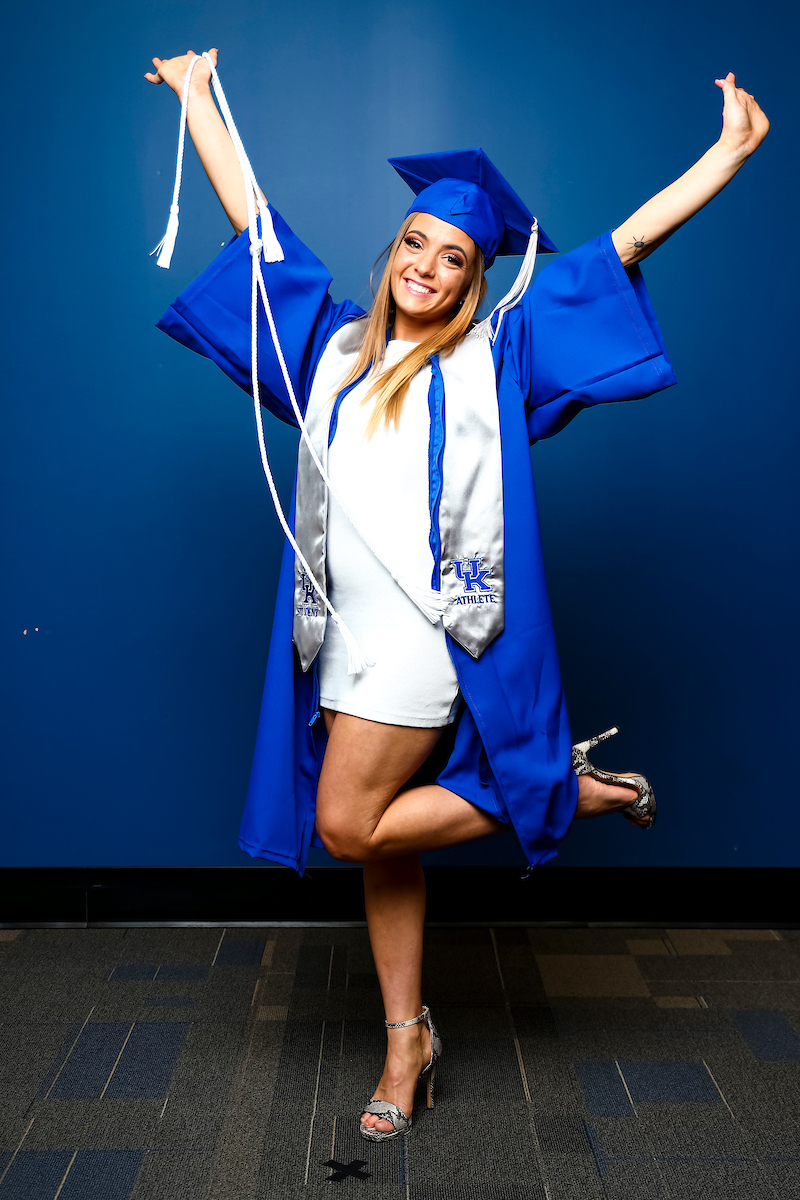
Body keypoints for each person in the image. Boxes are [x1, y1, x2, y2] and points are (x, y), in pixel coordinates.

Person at [146, 49, 768, 1140]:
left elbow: (617, 249)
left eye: (455, 255)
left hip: (428, 648)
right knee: (382, 848)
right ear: (395, 252)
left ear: (477, 275)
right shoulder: (330, 348)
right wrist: (199, 100)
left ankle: (553, 793)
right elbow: (259, 237)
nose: (428, 265)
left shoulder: (497, 360)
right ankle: (406, 1038)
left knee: (347, 825)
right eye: (416, 245)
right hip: (337, 637)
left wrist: (722, 154)